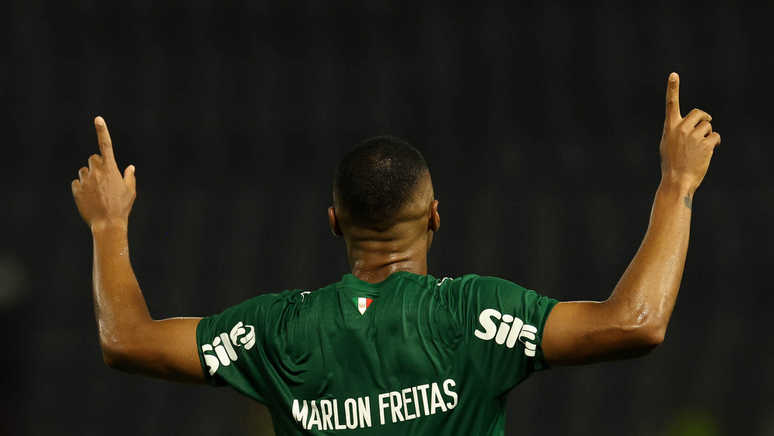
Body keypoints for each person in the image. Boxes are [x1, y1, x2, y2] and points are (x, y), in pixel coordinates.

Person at [71, 72, 720, 435]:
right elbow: (636, 323)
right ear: (436, 217)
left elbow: (125, 341)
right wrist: (677, 183)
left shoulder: (279, 331)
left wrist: (108, 226)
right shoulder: (473, 316)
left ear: (333, 222)